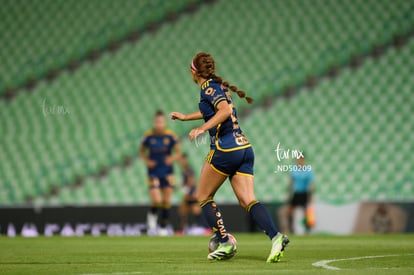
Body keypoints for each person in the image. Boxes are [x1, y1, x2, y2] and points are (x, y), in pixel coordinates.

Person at [170, 52, 289, 262]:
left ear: (193, 72)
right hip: (244, 147)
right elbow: (215, 110)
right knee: (247, 200)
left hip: (226, 149)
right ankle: (276, 237)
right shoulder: (216, 87)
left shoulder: (208, 88)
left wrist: (201, 128)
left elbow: (223, 111)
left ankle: (224, 242)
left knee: (203, 196)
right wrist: (186, 117)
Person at [140, 110, 181, 236]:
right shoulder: (148, 136)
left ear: (165, 122)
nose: (159, 124)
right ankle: (152, 217)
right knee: (157, 200)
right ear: (154, 122)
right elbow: (142, 152)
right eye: (157, 122)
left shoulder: (171, 136)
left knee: (166, 200)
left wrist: (172, 158)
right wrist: (147, 160)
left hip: (168, 172)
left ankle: (163, 227)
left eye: (161, 121)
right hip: (153, 171)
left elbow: (178, 153)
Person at [178, 153, 206, 235]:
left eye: (182, 160)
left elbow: (191, 182)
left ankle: (202, 227)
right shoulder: (183, 171)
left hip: (192, 192)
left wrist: (189, 192)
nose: (181, 162)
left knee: (195, 210)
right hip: (188, 192)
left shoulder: (188, 170)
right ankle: (185, 228)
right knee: (183, 210)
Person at [287, 155, 315, 234]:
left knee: (306, 212)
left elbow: (311, 184)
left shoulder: (308, 171)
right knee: (290, 211)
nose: (299, 161)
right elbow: (291, 183)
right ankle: (291, 229)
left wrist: (311, 195)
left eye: (301, 159)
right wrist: (288, 193)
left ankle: (307, 230)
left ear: (303, 160)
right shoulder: (293, 170)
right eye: (298, 159)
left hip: (304, 193)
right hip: (296, 193)